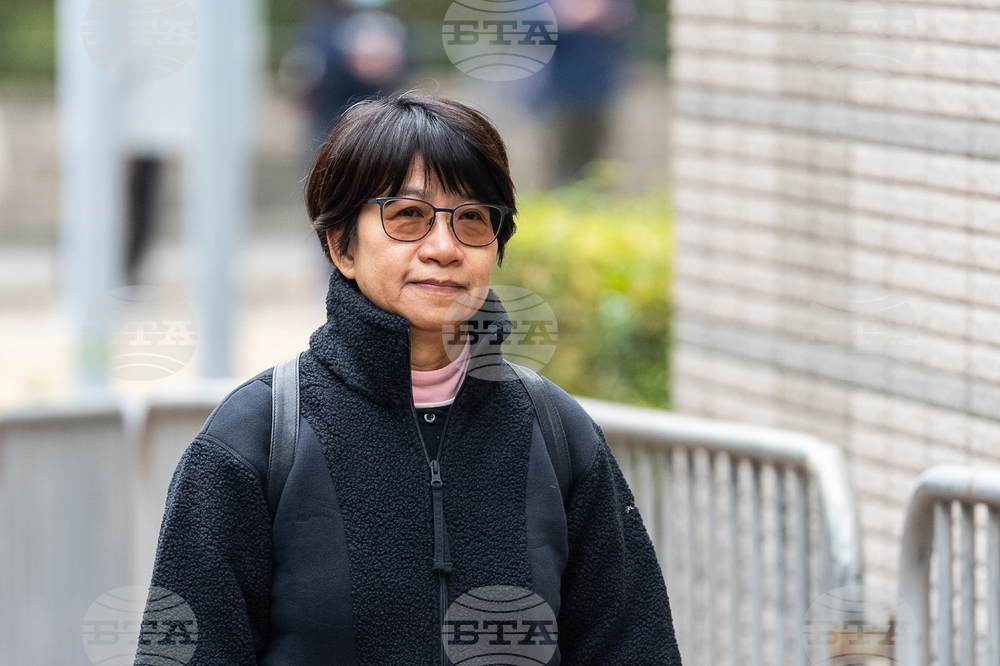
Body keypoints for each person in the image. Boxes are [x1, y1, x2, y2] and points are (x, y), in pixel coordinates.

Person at [137, 93, 682, 665]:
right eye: (407, 217)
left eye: (472, 218)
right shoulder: (254, 438)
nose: (444, 248)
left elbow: (632, 647)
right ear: (340, 244)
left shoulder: (558, 433)